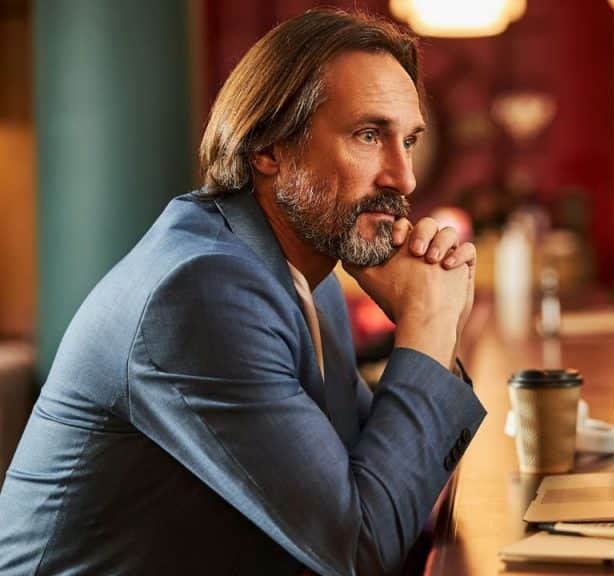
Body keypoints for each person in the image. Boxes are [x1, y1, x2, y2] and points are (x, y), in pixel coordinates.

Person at [0, 9, 485, 575]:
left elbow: (387, 481)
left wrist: (437, 325)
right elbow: (359, 547)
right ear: (269, 149)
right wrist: (428, 324)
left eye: (410, 140)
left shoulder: (305, 272)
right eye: (369, 135)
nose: (404, 178)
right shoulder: (201, 292)